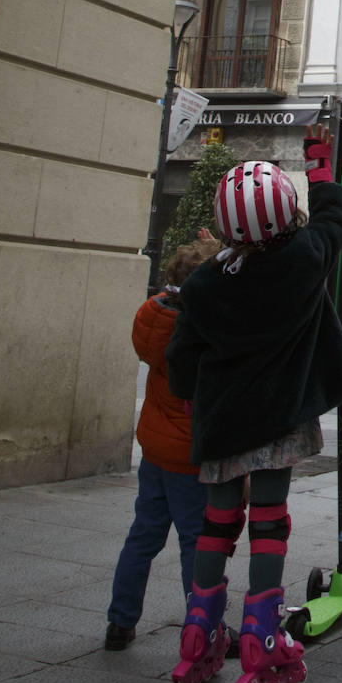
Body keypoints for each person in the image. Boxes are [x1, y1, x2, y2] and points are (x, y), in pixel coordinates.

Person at [166, 126, 342, 683]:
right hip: (280, 421)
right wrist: (320, 163)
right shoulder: (305, 260)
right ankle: (260, 639)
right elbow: (334, 217)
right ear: (285, 215)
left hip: (223, 424)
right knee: (270, 521)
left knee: (218, 523)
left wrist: (188, 399)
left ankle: (199, 632)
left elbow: (182, 359)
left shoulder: (202, 283)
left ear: (225, 224)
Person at [104, 235, 218, 651]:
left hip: (154, 449)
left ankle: (120, 621)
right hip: (189, 455)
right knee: (197, 542)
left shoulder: (152, 318)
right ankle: (202, 627)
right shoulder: (198, 329)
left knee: (143, 536)